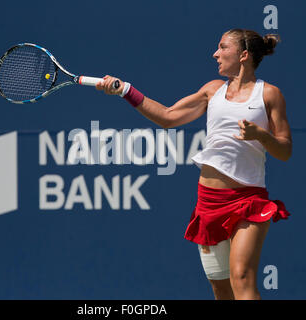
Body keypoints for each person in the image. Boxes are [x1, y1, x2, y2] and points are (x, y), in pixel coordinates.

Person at [96, 28, 292, 300]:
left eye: (223, 47)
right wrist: (125, 90)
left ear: (243, 55)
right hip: (209, 203)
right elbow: (167, 116)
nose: (216, 54)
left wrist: (260, 135)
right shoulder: (212, 91)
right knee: (222, 291)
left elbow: (284, 150)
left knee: (242, 278)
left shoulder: (269, 95)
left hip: (248, 200)